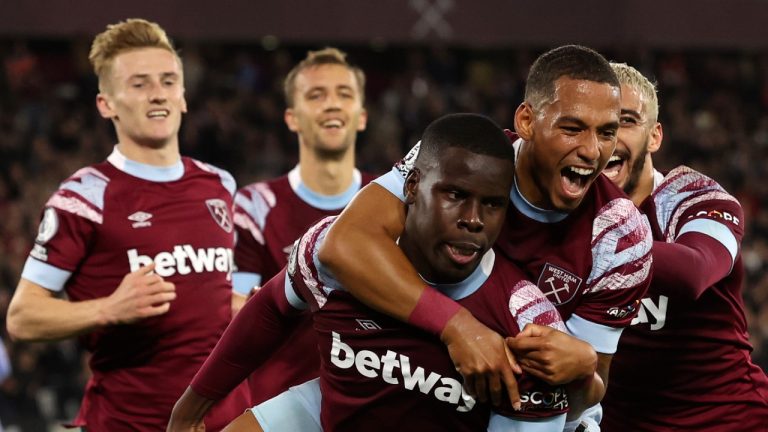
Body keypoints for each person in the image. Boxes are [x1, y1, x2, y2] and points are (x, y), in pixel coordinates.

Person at [173, 113, 601, 432]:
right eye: (454, 195)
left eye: (492, 204)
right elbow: (270, 309)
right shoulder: (337, 252)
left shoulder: (526, 324)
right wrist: (189, 410)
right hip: (338, 408)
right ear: (412, 186)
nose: (473, 220)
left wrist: (585, 375)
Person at [316, 45, 653, 432]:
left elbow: (585, 396)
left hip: (522, 407)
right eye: (572, 128)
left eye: (607, 133)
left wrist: (582, 370)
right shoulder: (462, 157)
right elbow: (343, 245)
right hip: (403, 365)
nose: (592, 151)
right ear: (527, 121)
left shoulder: (622, 235)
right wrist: (457, 327)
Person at [5, 18, 248, 431]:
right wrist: (109, 309)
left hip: (224, 421)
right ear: (107, 105)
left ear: (183, 96)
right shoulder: (84, 196)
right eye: (139, 84)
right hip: (129, 422)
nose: (158, 93)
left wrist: (244, 306)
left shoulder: (219, 183)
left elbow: (206, 295)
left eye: (168, 81)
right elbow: (22, 317)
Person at [598, 62, 768, 431]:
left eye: (625, 121)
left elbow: (694, 269)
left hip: (728, 422)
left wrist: (588, 240)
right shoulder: (558, 210)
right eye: (594, 124)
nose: (607, 137)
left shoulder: (693, 198)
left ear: (654, 136)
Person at [229, 47, 374, 404]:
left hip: (371, 406)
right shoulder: (254, 206)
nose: (332, 104)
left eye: (344, 94)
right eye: (316, 95)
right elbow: (237, 311)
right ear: (292, 118)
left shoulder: (393, 203)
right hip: (278, 408)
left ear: (361, 117)